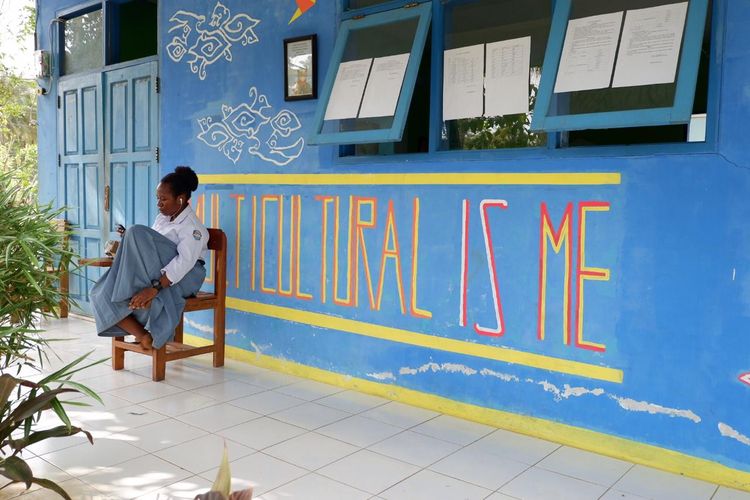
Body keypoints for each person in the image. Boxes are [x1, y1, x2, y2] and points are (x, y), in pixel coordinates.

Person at [90, 166, 208, 350]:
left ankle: (137, 297)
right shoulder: (163, 218)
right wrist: (129, 240)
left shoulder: (193, 228)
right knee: (100, 292)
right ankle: (143, 336)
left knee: (136, 231)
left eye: (163, 199)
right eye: (157, 199)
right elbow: (151, 249)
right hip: (158, 271)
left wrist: (155, 289)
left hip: (185, 276)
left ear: (181, 199)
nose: (159, 204)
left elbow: (184, 263)